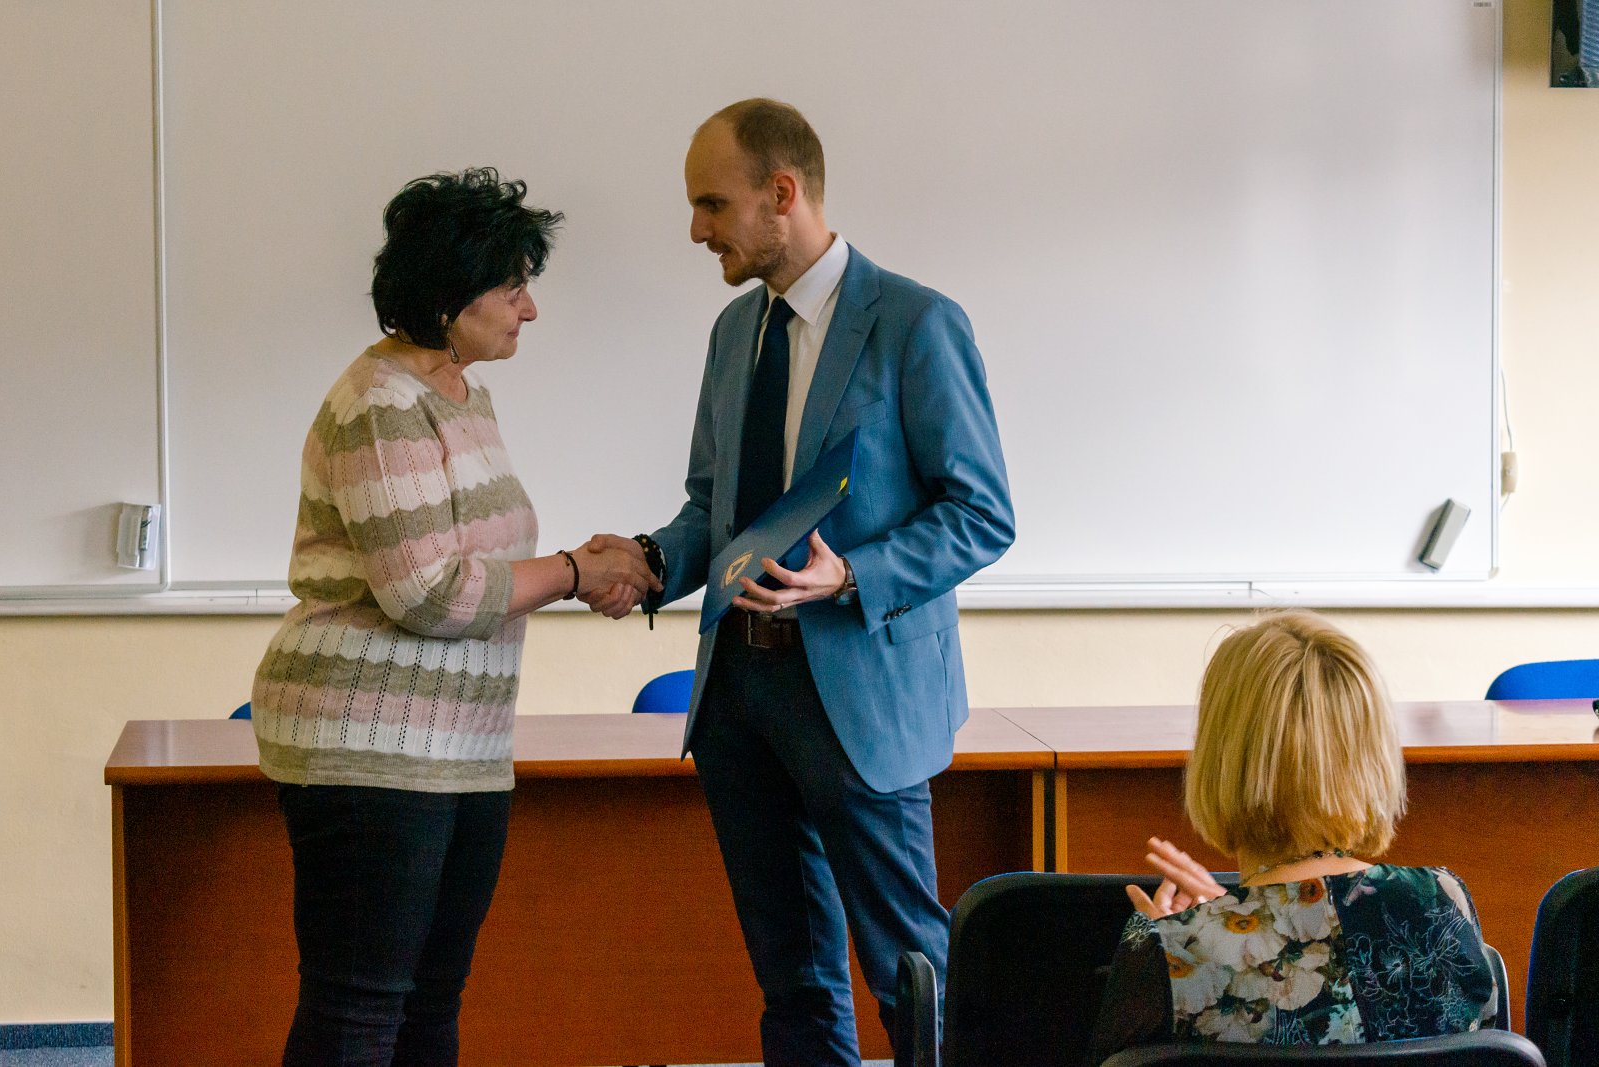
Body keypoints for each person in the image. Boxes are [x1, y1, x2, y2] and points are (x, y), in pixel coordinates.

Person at [584, 98, 1014, 1065]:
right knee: (794, 982)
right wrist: (650, 563)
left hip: (861, 694)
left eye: (711, 204)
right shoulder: (734, 331)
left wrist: (851, 573)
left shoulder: (917, 323)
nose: (696, 230)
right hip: (738, 694)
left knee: (912, 973)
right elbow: (714, 510)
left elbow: (982, 513)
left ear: (783, 194)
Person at [250, 167, 659, 1067]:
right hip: (369, 746)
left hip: (460, 748)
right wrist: (573, 571)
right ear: (449, 294)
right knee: (359, 1010)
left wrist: (587, 568)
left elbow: (478, 566)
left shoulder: (465, 398)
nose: (530, 308)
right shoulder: (381, 405)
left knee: (431, 1002)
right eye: (513, 287)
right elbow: (428, 592)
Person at [1090, 611, 1497, 1062]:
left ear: (1220, 757)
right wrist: (1234, 927)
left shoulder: (1165, 952)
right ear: (1373, 754)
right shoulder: (1443, 901)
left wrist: (1191, 940)